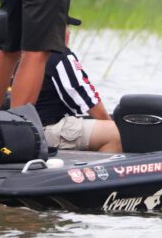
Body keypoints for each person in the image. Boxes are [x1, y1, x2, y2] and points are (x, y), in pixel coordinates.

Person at [36, 17, 122, 152]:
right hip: (45, 131)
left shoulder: (23, 55)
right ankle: (100, 171)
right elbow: (85, 96)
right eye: (66, 26)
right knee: (115, 133)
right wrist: (108, 123)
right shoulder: (60, 55)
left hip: (28, 130)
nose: (69, 32)